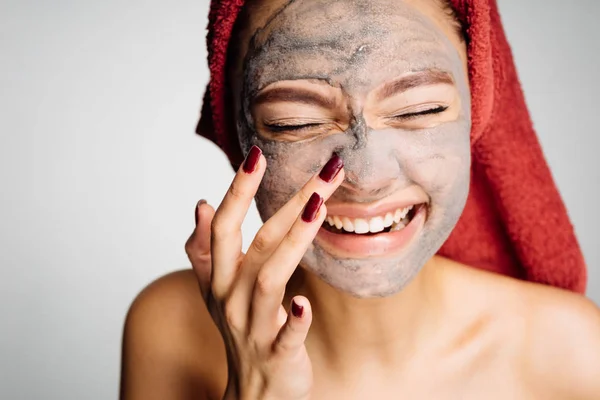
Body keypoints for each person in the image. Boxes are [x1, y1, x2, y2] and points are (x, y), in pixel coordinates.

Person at [120, 0, 600, 398]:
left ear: (477, 111)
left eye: (420, 109)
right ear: (238, 136)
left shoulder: (571, 351)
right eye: (295, 122)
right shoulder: (172, 329)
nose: (366, 177)